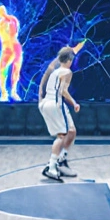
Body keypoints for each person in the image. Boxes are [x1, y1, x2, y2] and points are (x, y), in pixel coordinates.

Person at [37, 46, 79, 182]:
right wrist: (74, 103)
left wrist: (40, 95)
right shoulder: (67, 72)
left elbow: (44, 77)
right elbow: (63, 91)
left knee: (71, 131)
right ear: (70, 60)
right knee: (61, 136)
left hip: (46, 103)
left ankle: (61, 159)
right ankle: (51, 167)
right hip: (55, 104)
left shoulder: (54, 71)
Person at [0, 5, 24, 101]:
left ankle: (11, 92)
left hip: (12, 48)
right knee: (4, 69)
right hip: (12, 47)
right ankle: (6, 93)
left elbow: (15, 31)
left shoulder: (11, 20)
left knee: (13, 69)